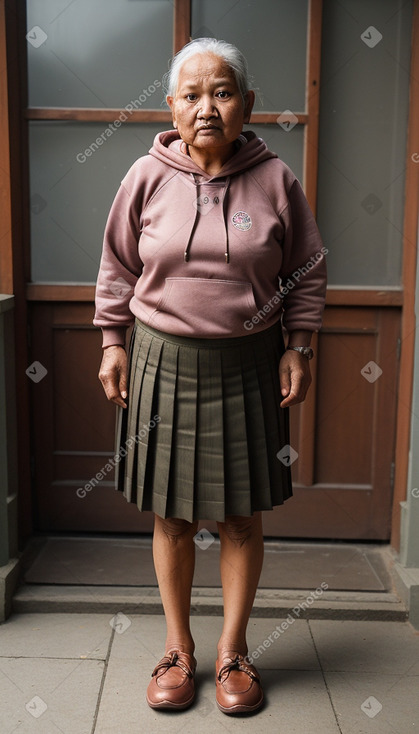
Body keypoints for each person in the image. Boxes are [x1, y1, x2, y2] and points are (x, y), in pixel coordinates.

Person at [94, 37, 327, 715]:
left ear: (246, 104)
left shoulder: (276, 178)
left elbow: (306, 270)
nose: (206, 107)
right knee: (170, 516)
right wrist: (112, 343)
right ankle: (178, 649)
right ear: (169, 105)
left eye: (221, 92)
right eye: (190, 94)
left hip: (250, 361)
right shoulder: (144, 175)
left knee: (237, 518)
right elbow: (116, 268)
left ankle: (232, 653)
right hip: (161, 359)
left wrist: (300, 346)